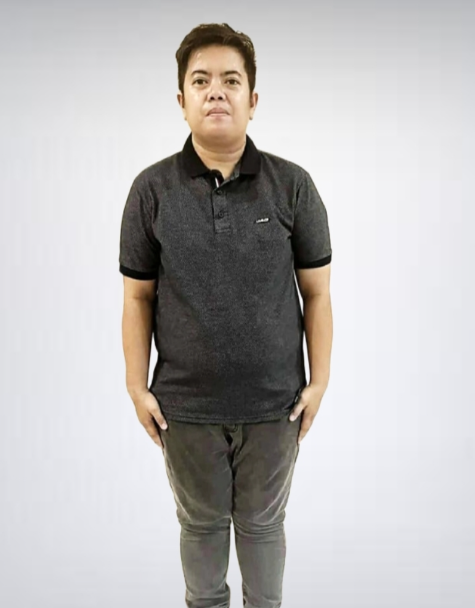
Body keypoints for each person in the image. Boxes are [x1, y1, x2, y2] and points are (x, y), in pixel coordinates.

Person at [119, 22, 333, 608]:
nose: (216, 91)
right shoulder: (150, 191)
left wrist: (319, 381)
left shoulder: (293, 187)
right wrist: (136, 386)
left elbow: (317, 292)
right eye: (201, 80)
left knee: (263, 527)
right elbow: (137, 297)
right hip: (185, 408)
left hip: (275, 405)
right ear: (181, 99)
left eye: (231, 80)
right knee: (201, 528)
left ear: (252, 100)